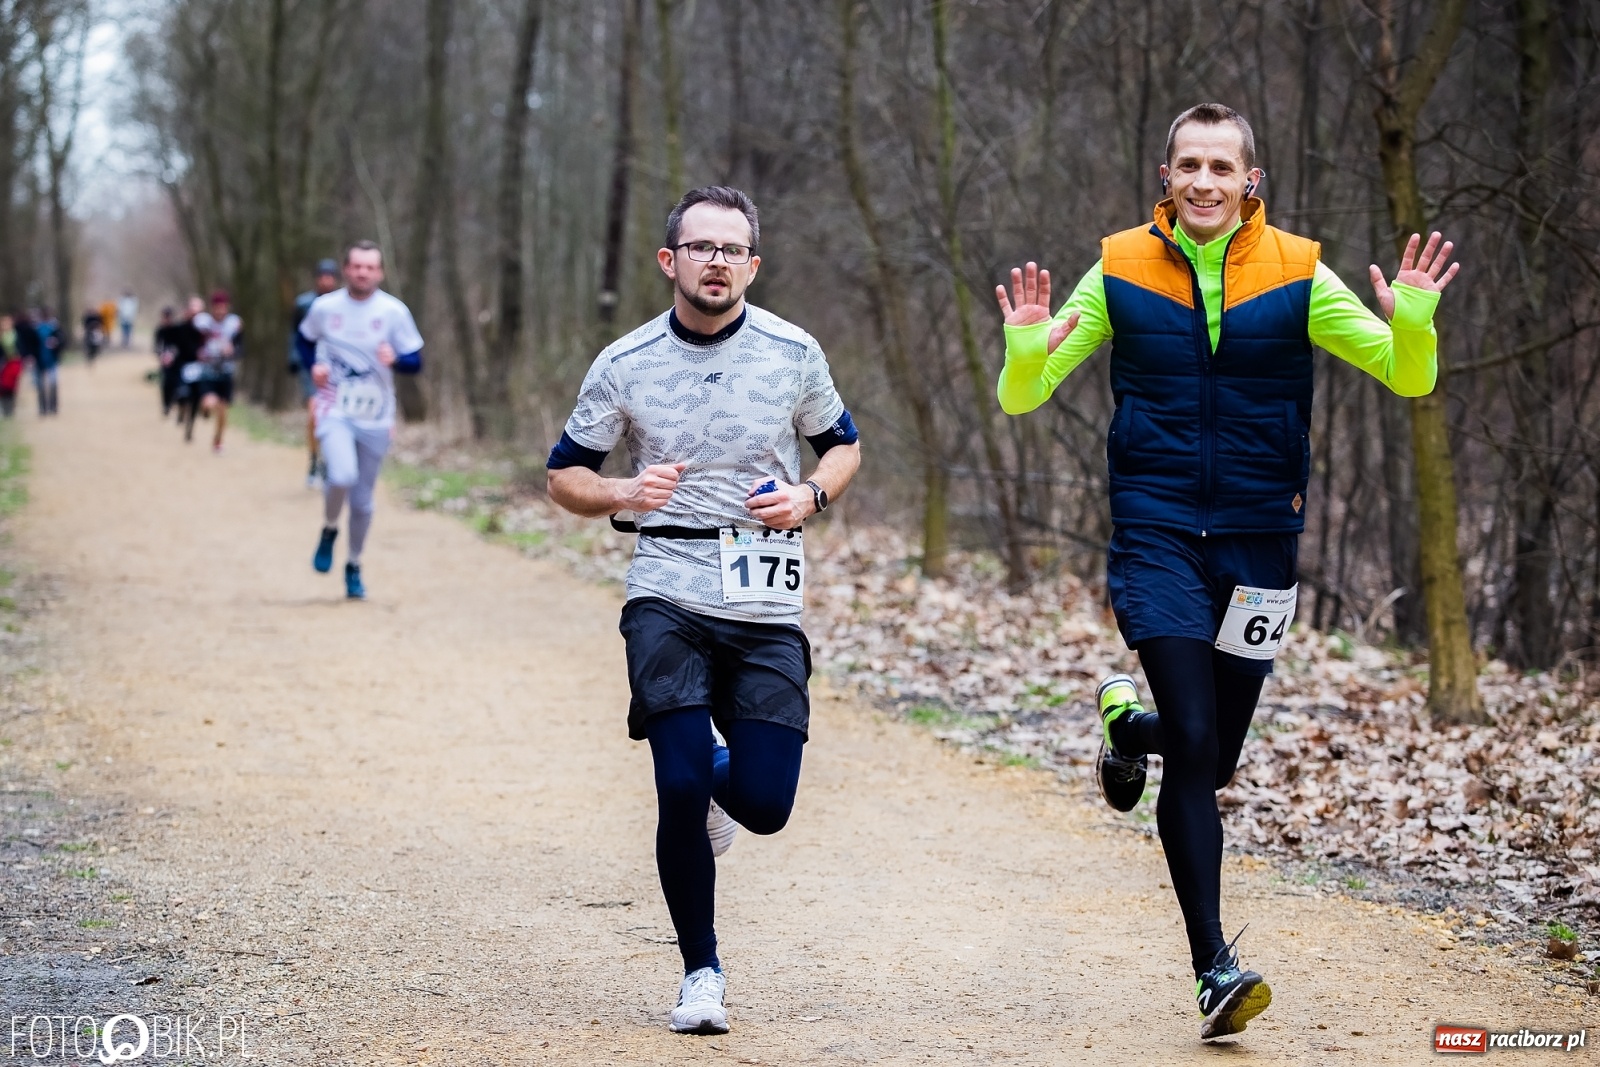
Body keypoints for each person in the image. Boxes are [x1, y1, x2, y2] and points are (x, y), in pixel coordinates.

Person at [994, 103, 1461, 1042]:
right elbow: (1025, 395)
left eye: (1221, 167)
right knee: (1200, 746)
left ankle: (1128, 728)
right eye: (1189, 165)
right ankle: (1215, 966)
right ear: (1164, 177)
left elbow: (1408, 377)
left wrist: (1412, 320)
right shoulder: (1120, 267)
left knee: (1217, 754)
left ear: (1251, 180)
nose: (1203, 181)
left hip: (1260, 540)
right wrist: (1025, 344)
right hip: (1157, 532)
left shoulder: (1297, 270)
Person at [546, 186, 861, 1036]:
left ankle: (723, 780)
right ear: (670, 260)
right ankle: (701, 971)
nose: (716, 262)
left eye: (732, 250)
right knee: (678, 783)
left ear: (752, 264)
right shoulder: (626, 361)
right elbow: (563, 475)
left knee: (765, 802)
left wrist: (810, 495)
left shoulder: (793, 351)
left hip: (764, 598)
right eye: (701, 247)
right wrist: (623, 491)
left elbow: (843, 445)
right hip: (667, 588)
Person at [298, 240, 424, 600]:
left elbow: (416, 362)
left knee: (363, 501)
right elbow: (304, 340)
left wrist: (396, 360)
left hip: (376, 415)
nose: (362, 273)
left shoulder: (393, 312)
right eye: (356, 266)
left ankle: (353, 564)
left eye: (369, 267)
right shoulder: (325, 308)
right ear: (346, 270)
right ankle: (329, 528)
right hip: (334, 408)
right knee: (341, 475)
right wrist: (314, 367)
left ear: (379, 272)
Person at [290, 259, 341, 488]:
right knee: (315, 414)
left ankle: (330, 461)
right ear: (316, 279)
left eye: (330, 277)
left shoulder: (343, 304)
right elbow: (295, 335)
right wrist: (293, 357)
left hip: (337, 368)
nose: (326, 281)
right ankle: (314, 460)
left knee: (335, 417)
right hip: (310, 365)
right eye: (322, 276)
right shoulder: (303, 304)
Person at [191, 290, 243, 452]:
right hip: (208, 371)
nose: (220, 311)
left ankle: (218, 440)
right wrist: (198, 352)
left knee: (223, 411)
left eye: (223, 307)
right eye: (217, 307)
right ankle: (204, 409)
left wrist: (233, 351)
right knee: (210, 402)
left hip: (226, 372)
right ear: (212, 308)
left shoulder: (234, 324)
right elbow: (192, 341)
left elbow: (241, 348)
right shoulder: (202, 323)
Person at [32, 308, 60, 415]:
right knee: (41, 385)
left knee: (53, 384)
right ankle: (43, 408)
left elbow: (62, 340)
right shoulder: (36, 328)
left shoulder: (54, 327)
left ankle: (53, 407)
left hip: (52, 360)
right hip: (39, 360)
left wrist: (56, 343)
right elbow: (31, 344)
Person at [0, 315, 21, 418]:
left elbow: (21, 348)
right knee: (2, 386)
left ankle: (11, 409)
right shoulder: (1, 336)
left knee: (11, 386)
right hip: (3, 363)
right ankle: (5, 409)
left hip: (13, 363)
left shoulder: (15, 335)